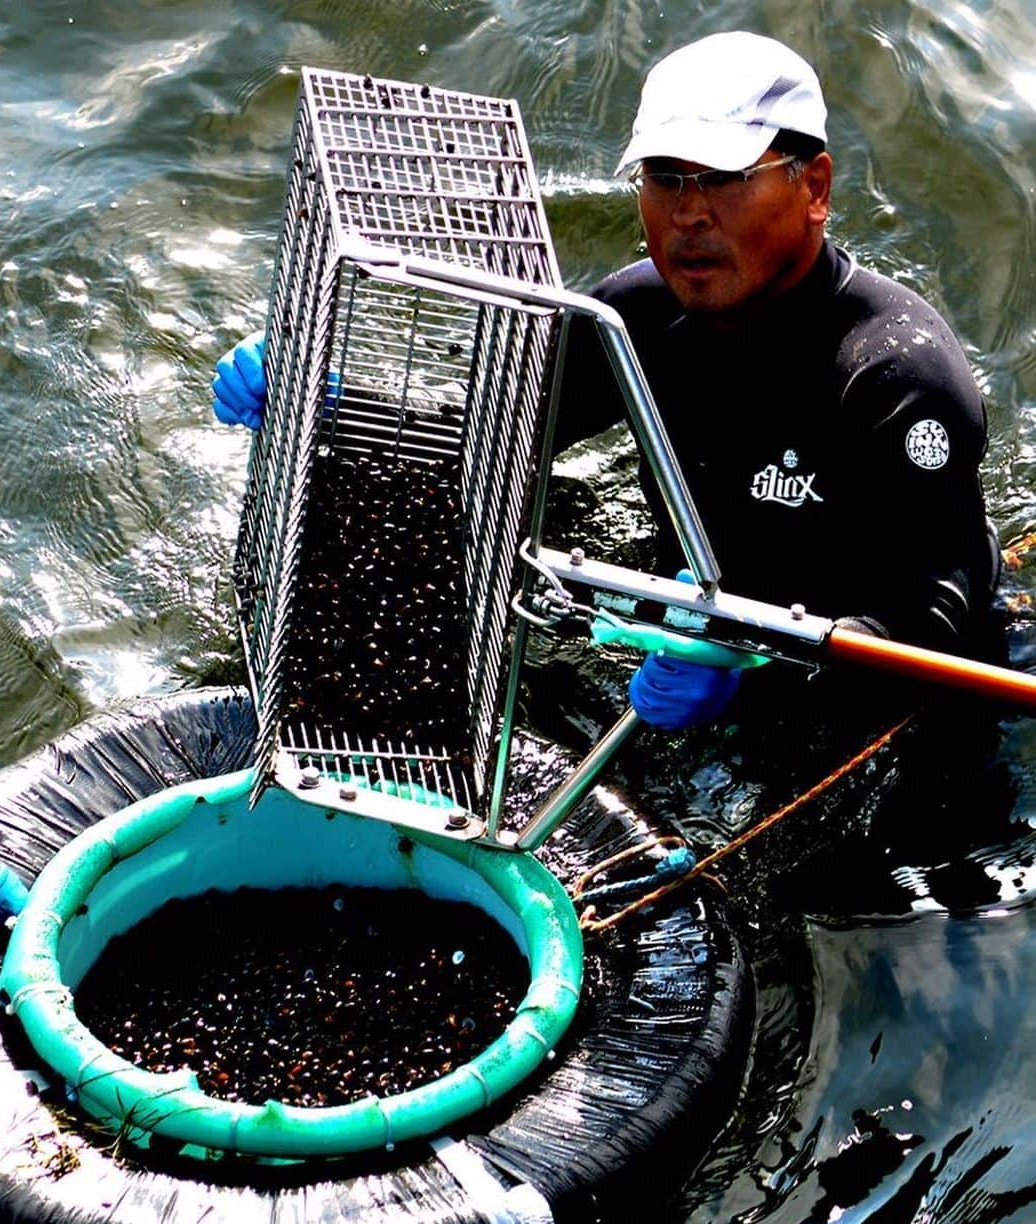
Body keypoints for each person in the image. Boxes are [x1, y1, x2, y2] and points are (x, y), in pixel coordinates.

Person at [212, 31, 1002, 733]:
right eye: (665, 177)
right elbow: (482, 438)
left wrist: (755, 671)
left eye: (723, 179)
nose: (689, 215)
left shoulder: (895, 375)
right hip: (685, 629)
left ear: (815, 188)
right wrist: (328, 403)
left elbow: (941, 609)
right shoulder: (636, 318)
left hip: (880, 705)